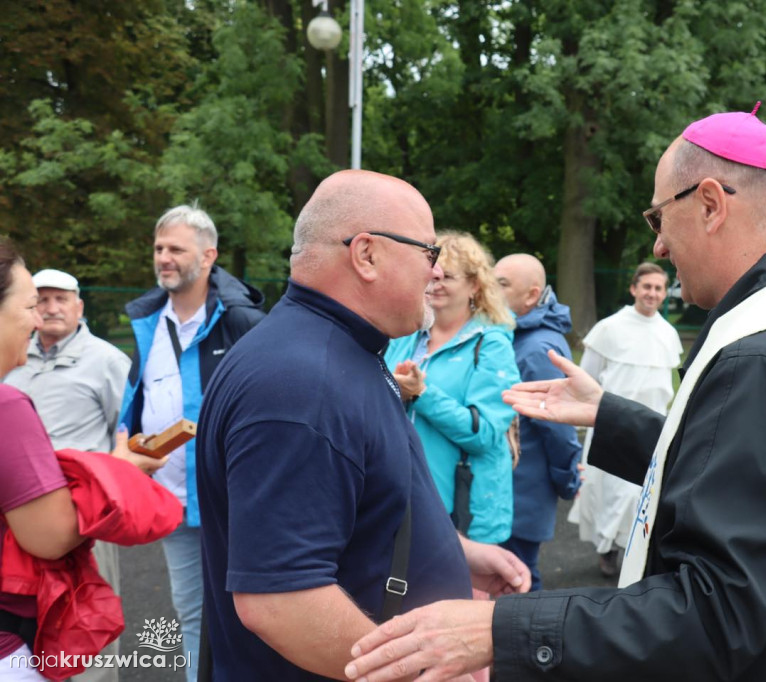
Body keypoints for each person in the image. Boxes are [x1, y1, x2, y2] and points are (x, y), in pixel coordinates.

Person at [345, 108, 766, 682]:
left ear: (712, 203)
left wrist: (499, 630)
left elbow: (715, 612)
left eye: (657, 217)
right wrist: (609, 417)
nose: (661, 248)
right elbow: (762, 475)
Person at [195, 170, 530, 680]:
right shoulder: (300, 383)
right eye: (429, 253)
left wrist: (454, 553)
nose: (434, 274)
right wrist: (427, 672)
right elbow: (281, 601)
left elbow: (348, 508)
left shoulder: (337, 351)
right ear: (366, 255)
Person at [116, 204, 265, 681]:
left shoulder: (241, 321)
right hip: (174, 500)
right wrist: (125, 437)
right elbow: (135, 396)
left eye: (176, 249)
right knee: (190, 611)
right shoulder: (146, 321)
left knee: (250, 612)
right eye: (159, 248)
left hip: (234, 499)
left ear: (208, 255)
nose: (164, 257)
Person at [0, 240, 160, 680]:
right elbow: (50, 537)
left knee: (88, 640)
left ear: (79, 305)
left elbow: (124, 424)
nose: (40, 315)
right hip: (22, 596)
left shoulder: (108, 360)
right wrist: (122, 472)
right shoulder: (7, 405)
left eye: (54, 301)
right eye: (33, 303)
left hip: (76, 517)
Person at [385, 232, 520, 544]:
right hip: (400, 501)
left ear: (474, 285)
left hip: (460, 513)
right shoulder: (405, 335)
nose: (435, 283)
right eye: (431, 275)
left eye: (447, 276)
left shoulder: (491, 345)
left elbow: (485, 433)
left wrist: (422, 394)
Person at [567, 262, 682, 577]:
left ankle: (634, 552)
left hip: (652, 428)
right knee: (616, 494)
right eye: (647, 287)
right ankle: (608, 548)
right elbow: (587, 378)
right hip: (613, 425)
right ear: (634, 289)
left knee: (642, 495)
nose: (652, 293)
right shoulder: (609, 328)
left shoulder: (668, 334)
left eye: (659, 288)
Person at [492, 254, 582, 590]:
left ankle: (532, 642)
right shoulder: (520, 336)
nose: (489, 290)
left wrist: (568, 477)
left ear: (531, 296)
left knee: (518, 580)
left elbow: (557, 427)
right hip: (516, 488)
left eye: (501, 284)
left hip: (522, 494)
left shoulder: (535, 349)